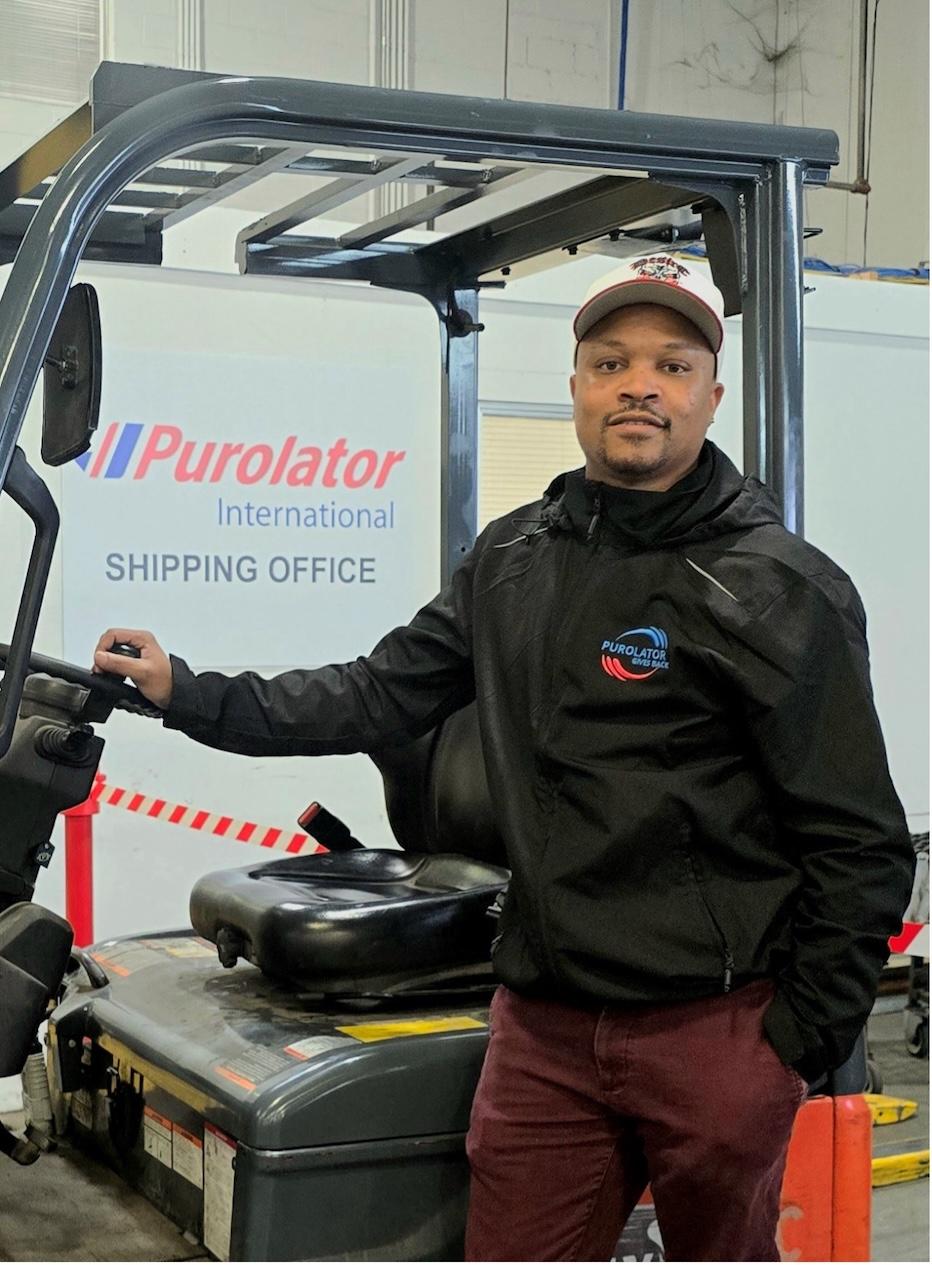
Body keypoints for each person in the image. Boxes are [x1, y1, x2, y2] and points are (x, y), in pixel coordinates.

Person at [94, 254, 915, 1263]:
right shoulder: (513, 558)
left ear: (709, 391)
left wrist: (788, 1038)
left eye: (668, 362)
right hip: (545, 1023)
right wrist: (191, 691)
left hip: (713, 1026)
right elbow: (374, 689)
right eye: (609, 361)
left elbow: (859, 839)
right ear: (574, 387)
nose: (637, 384)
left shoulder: (774, 586)